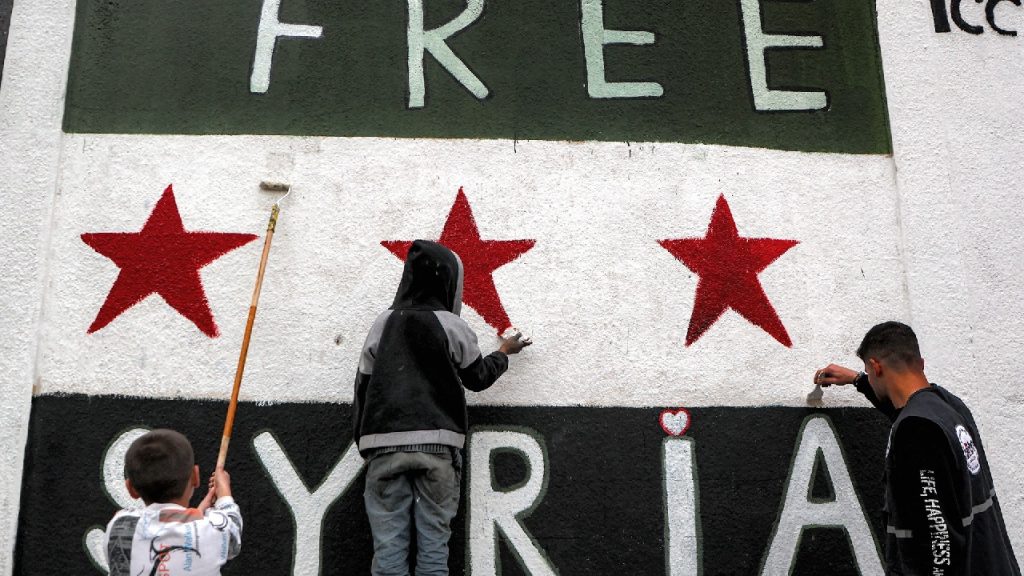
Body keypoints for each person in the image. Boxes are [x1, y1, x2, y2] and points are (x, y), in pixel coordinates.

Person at [353, 240, 531, 576]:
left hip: (383, 448)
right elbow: (477, 378)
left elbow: (362, 386)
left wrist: (365, 443)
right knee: (433, 551)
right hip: (438, 448)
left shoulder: (382, 324)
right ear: (448, 283)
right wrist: (504, 353)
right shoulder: (452, 325)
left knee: (388, 552)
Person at [814, 321, 1020, 575]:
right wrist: (858, 380)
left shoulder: (916, 431)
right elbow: (908, 411)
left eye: (868, 371)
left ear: (875, 367)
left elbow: (939, 540)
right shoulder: (949, 406)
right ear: (919, 362)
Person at [104, 429, 243, 576]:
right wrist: (224, 494)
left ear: (131, 489)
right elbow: (232, 533)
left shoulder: (119, 526)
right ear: (195, 476)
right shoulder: (211, 533)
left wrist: (199, 512)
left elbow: (164, 522)